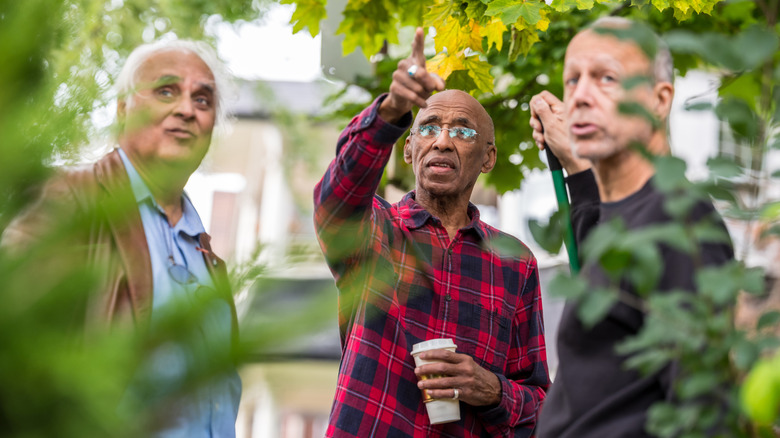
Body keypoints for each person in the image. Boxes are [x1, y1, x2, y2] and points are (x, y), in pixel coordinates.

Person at [314, 28, 549, 437]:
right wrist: (392, 110)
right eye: (428, 127)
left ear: (488, 157)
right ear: (408, 149)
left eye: (462, 131)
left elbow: (541, 404)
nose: (442, 141)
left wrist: (491, 390)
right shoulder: (375, 230)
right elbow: (337, 197)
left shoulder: (516, 262)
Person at [2, 39, 241, 437]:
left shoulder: (207, 257)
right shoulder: (72, 201)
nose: (186, 109)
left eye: (203, 100)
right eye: (166, 91)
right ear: (122, 107)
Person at [529, 17, 734, 437]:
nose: (581, 96)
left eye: (606, 77)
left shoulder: (678, 222)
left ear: (659, 100)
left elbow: (703, 409)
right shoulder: (625, 218)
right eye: (572, 80)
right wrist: (577, 169)